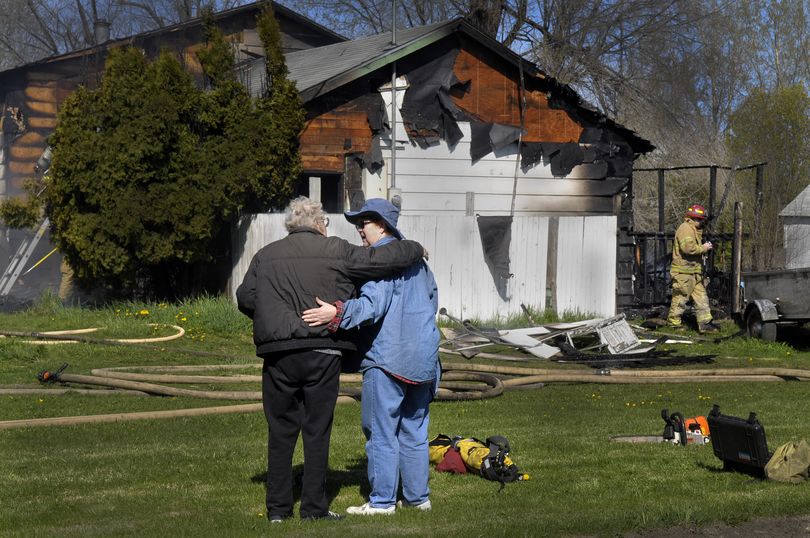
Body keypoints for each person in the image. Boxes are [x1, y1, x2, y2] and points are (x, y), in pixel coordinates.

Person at [236, 196, 427, 524]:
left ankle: (278, 511)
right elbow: (379, 261)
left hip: (278, 355)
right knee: (316, 429)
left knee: (281, 431)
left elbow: (245, 297)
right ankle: (313, 508)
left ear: (291, 226)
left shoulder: (265, 256)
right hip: (322, 351)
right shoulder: (336, 249)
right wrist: (415, 248)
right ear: (320, 224)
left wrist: (276, 315)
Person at [301, 198, 440, 516]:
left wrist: (334, 313)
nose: (359, 230)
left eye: (363, 223)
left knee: (381, 431)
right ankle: (419, 499)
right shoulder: (421, 265)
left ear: (382, 225)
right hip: (424, 359)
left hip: (389, 359)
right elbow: (431, 302)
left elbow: (371, 306)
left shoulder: (382, 263)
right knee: (415, 430)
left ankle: (382, 502)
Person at [667, 203, 720, 333]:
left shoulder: (693, 230)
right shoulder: (685, 228)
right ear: (695, 218)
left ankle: (705, 324)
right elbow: (688, 249)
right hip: (683, 273)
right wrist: (704, 248)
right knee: (680, 298)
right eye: (702, 220)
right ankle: (674, 323)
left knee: (702, 298)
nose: (703, 223)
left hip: (694, 273)